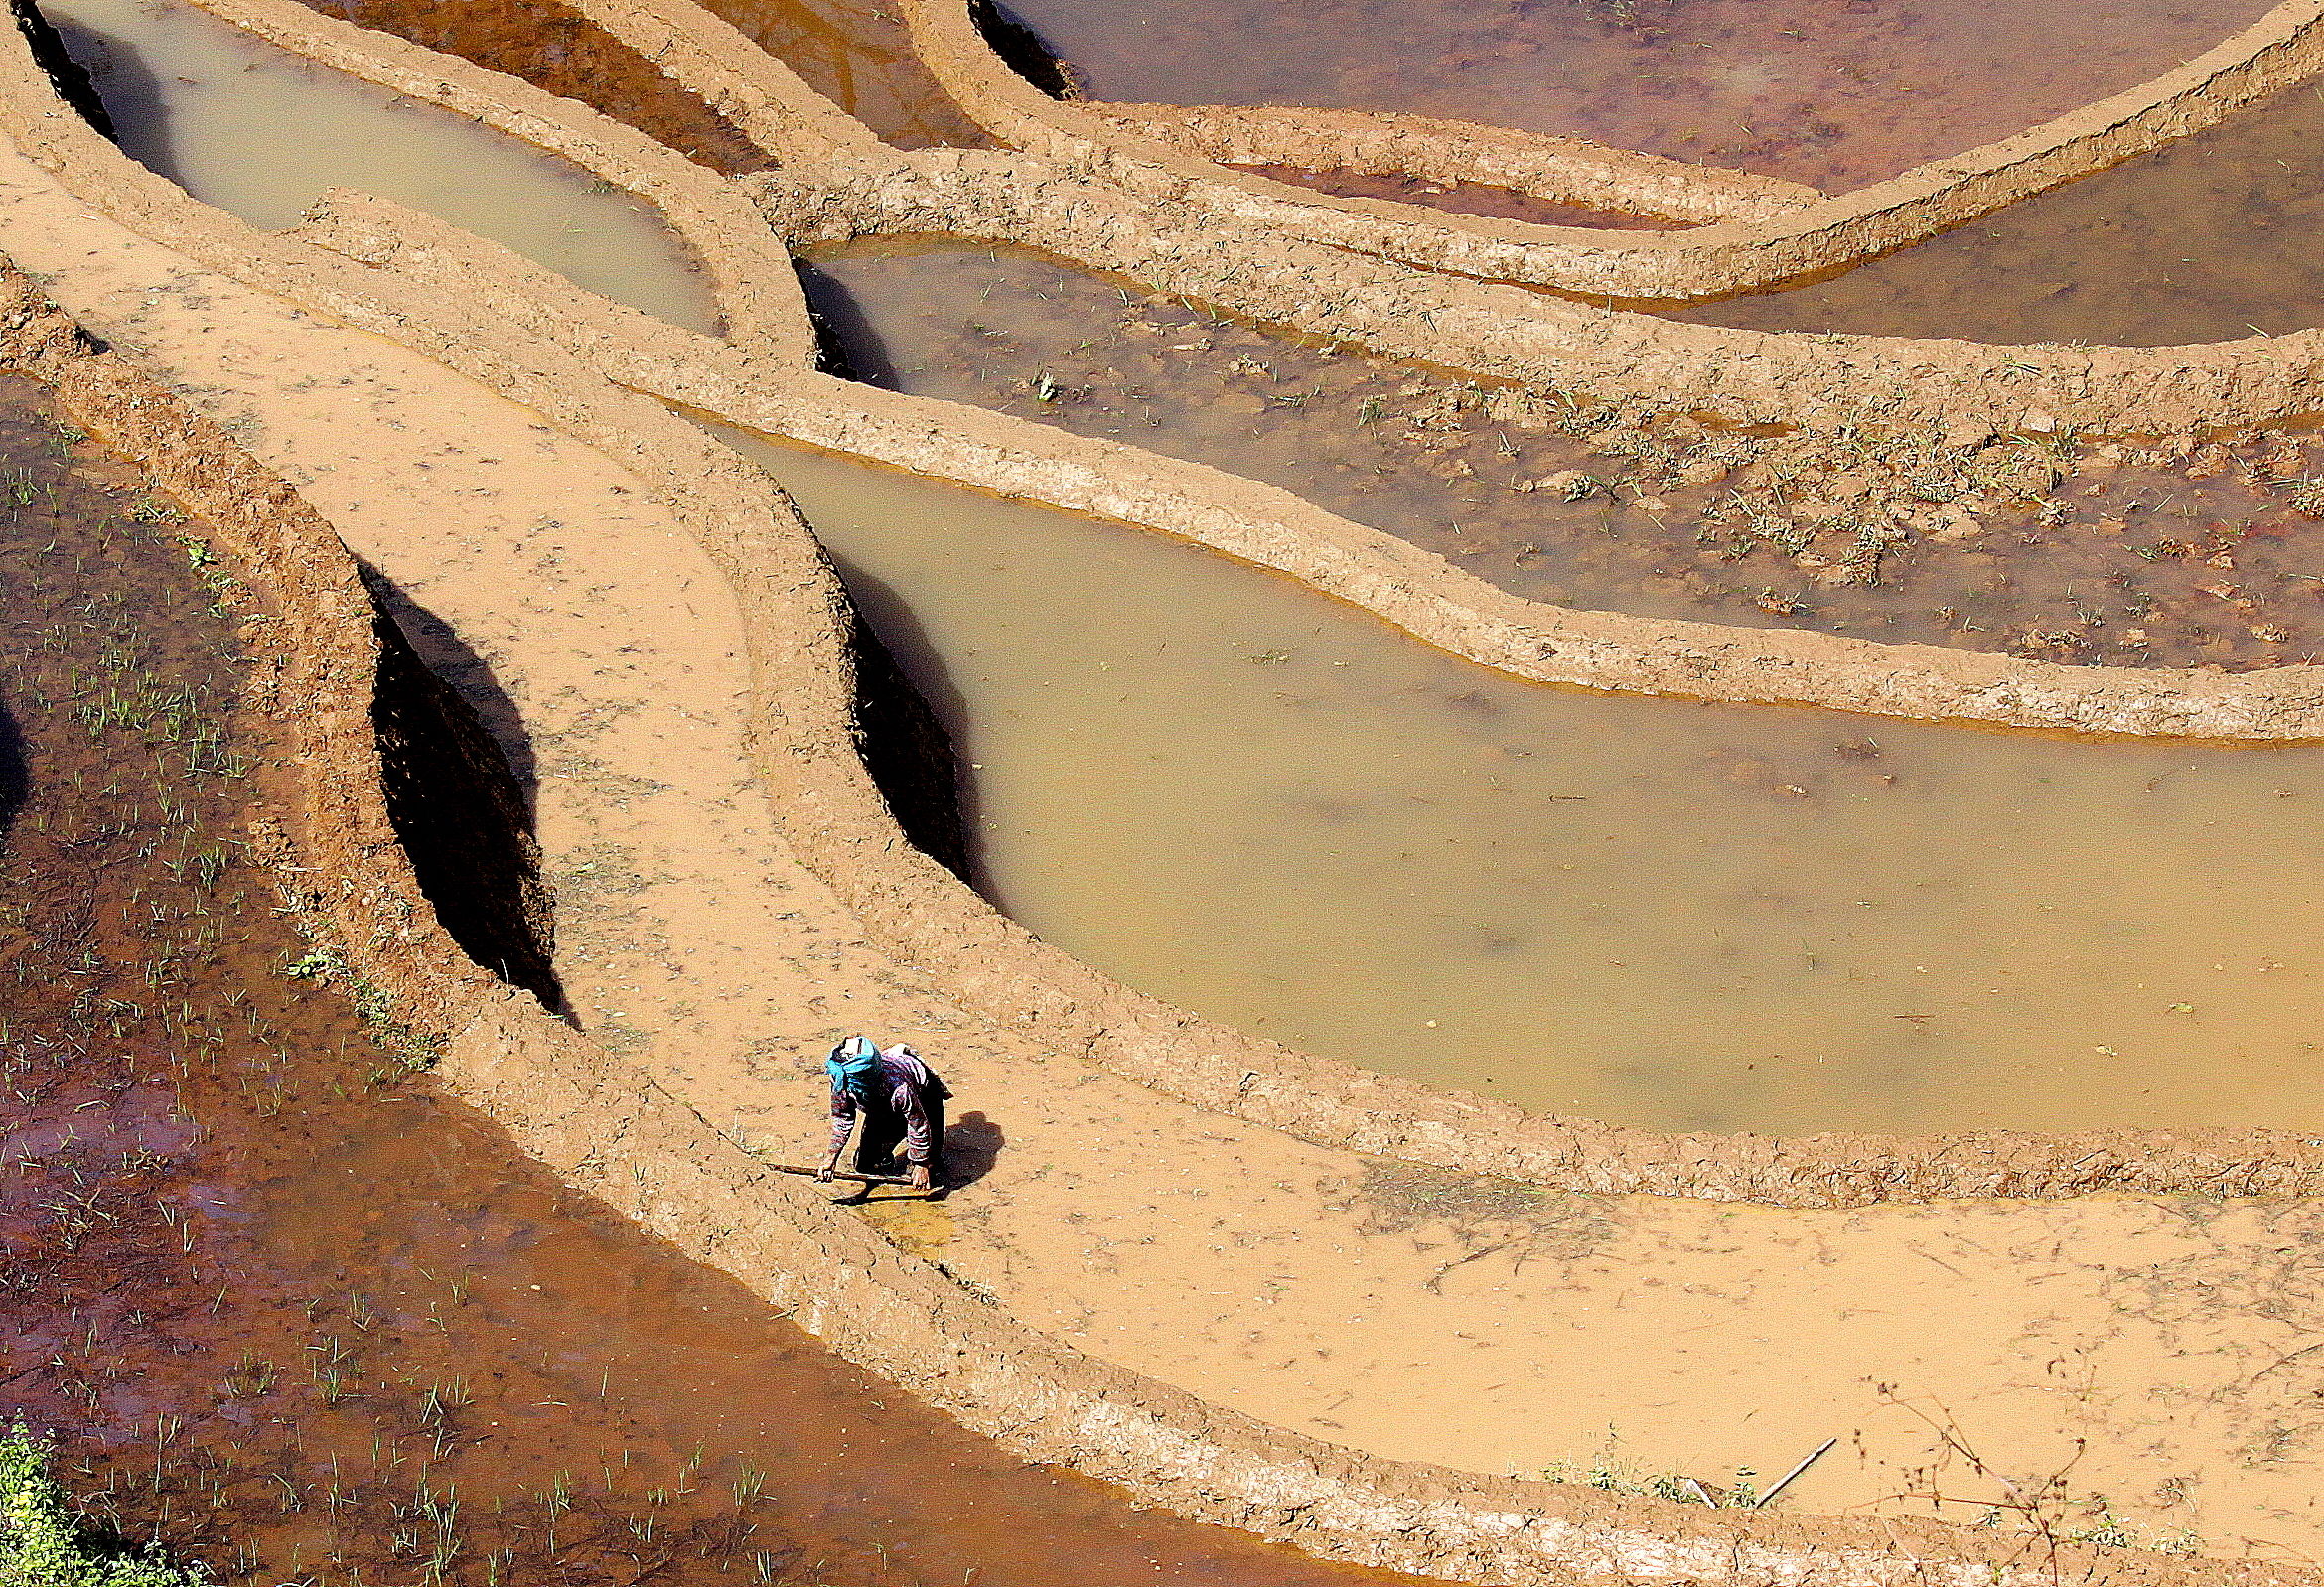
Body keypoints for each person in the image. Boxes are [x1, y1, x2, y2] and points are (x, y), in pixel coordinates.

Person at [817, 1035, 949, 1192]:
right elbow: (842, 1119)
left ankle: (928, 1161)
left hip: (923, 1095)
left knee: (929, 1173)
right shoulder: (840, 1078)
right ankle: (885, 1158)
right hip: (880, 1105)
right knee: (865, 1166)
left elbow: (918, 1125)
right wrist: (831, 1157)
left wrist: (921, 1164)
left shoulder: (899, 1089)